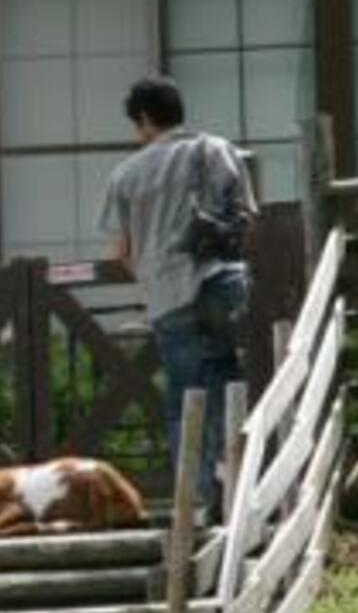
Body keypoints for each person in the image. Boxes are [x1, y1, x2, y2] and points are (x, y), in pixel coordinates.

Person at [100, 75, 257, 516]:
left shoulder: (126, 174)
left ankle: (201, 501)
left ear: (145, 120)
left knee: (185, 400)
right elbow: (247, 217)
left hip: (168, 297)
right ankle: (243, 490)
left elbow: (121, 251)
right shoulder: (215, 149)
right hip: (223, 283)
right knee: (232, 385)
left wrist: (151, 271)